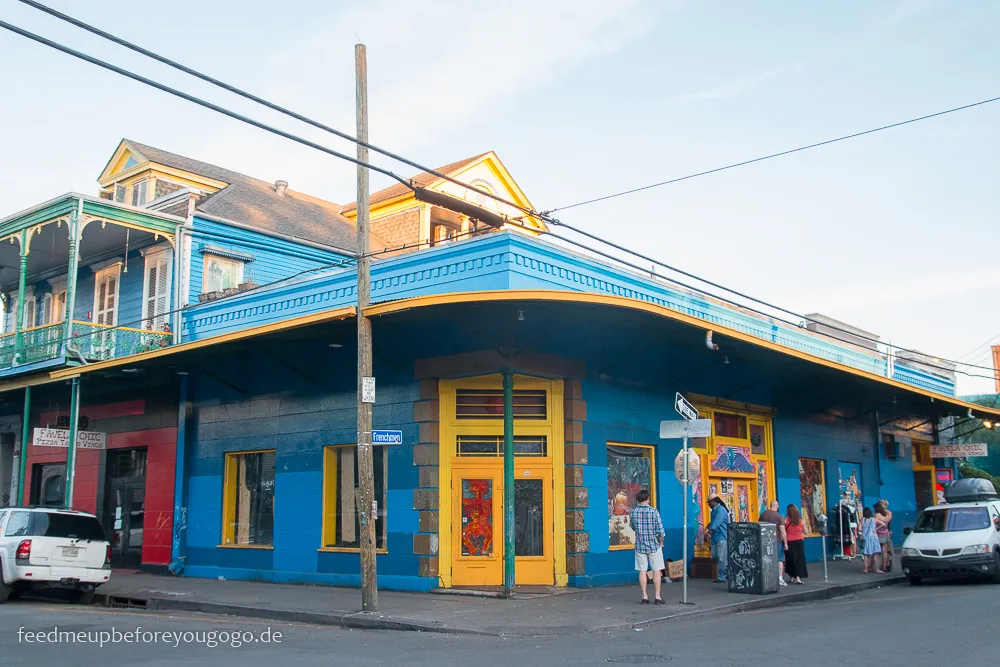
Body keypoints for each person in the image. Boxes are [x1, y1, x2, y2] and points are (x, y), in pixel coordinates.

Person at [629, 489, 666, 605]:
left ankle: (644, 596)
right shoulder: (654, 512)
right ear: (648, 499)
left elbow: (633, 527)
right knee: (656, 570)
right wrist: (661, 542)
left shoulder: (633, 512)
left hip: (640, 545)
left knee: (642, 570)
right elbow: (660, 531)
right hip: (653, 544)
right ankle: (657, 597)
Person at [758, 500, 788, 586]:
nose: (778, 507)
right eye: (777, 505)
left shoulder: (763, 515)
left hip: (764, 541)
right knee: (779, 559)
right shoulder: (779, 516)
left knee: (766, 559)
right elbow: (782, 531)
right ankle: (780, 579)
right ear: (775, 505)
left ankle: (766, 578)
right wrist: (785, 543)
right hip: (776, 541)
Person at [706, 493, 730, 583]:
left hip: (722, 536)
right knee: (715, 555)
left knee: (721, 557)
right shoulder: (714, 511)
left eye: (709, 503)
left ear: (713, 501)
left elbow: (716, 523)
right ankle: (727, 571)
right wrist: (707, 528)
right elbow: (712, 522)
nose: (708, 505)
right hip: (716, 537)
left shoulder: (721, 510)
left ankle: (721, 577)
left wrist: (709, 533)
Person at [784, 505, 808, 584]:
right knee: (799, 559)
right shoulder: (801, 521)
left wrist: (784, 543)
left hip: (789, 541)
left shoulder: (786, 521)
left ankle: (791, 577)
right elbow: (806, 532)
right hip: (799, 541)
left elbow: (783, 532)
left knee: (790, 559)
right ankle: (798, 578)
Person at [860, 506, 884, 573]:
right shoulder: (874, 520)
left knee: (866, 554)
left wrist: (863, 531)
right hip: (873, 538)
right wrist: (876, 529)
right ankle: (877, 569)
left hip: (865, 538)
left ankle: (865, 569)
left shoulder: (862, 520)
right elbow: (883, 524)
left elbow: (859, 529)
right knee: (875, 554)